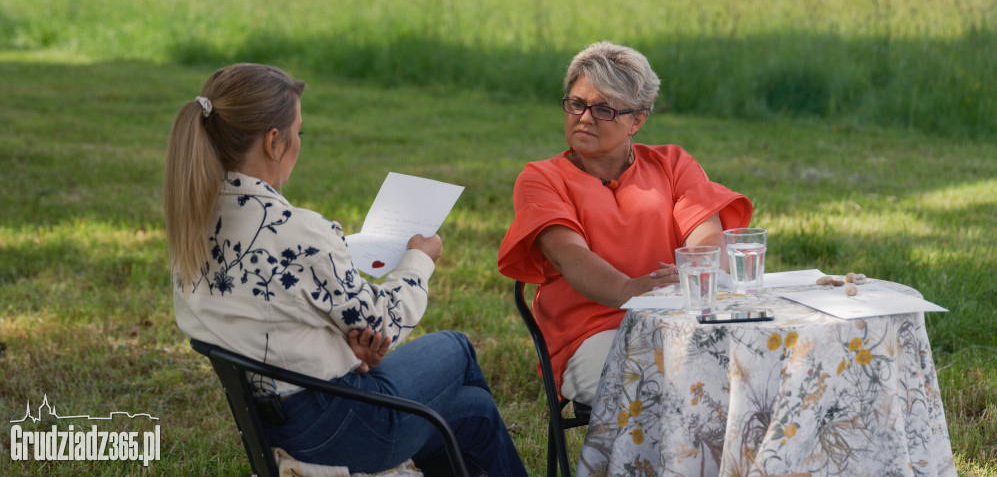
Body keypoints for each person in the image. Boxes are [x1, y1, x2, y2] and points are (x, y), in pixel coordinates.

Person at [165, 63, 527, 477]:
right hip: (335, 428)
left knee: (473, 411)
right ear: (273, 142)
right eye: (299, 131)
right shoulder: (296, 232)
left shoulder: (192, 226)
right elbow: (383, 323)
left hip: (273, 426)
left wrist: (345, 349)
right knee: (456, 348)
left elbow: (275, 324)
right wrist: (419, 259)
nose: (299, 142)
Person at [499, 42, 753, 406]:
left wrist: (696, 277)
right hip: (590, 335)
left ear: (638, 119)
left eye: (603, 109)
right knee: (677, 384)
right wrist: (634, 290)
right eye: (576, 104)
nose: (584, 118)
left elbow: (707, 235)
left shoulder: (672, 163)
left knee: (756, 365)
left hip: (679, 323)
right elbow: (569, 255)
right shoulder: (541, 178)